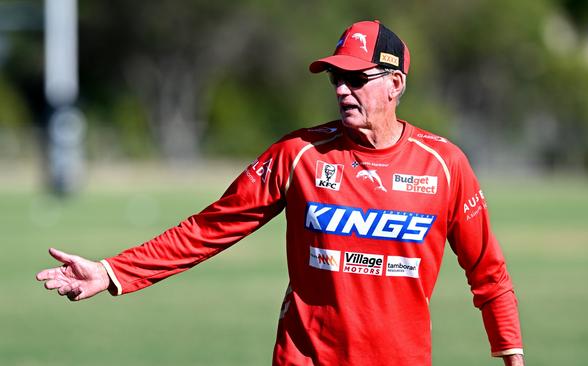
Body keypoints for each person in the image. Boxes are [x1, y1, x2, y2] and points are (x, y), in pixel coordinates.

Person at [36, 20, 525, 365]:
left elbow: (489, 274)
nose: (341, 90)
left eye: (357, 78)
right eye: (337, 78)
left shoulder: (444, 165)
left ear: (395, 83)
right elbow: (210, 229)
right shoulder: (297, 155)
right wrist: (112, 271)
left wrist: (511, 354)